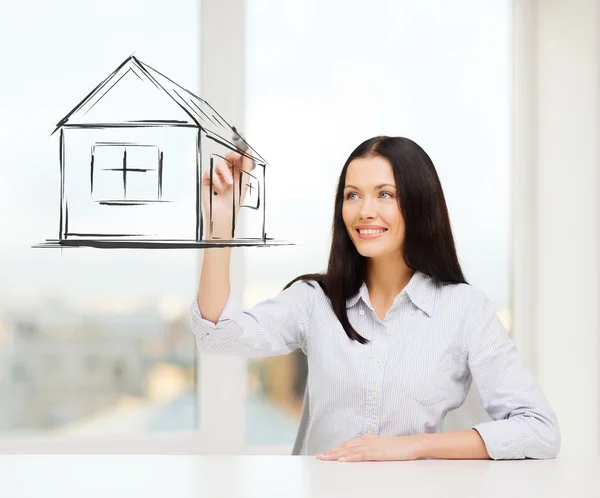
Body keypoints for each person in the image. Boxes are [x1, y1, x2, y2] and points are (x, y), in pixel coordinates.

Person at [192, 136, 560, 462]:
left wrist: (413, 446)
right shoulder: (315, 300)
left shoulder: (465, 309)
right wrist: (220, 223)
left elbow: (540, 430)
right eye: (353, 195)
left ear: (419, 204)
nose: (364, 210)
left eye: (385, 194)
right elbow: (217, 335)